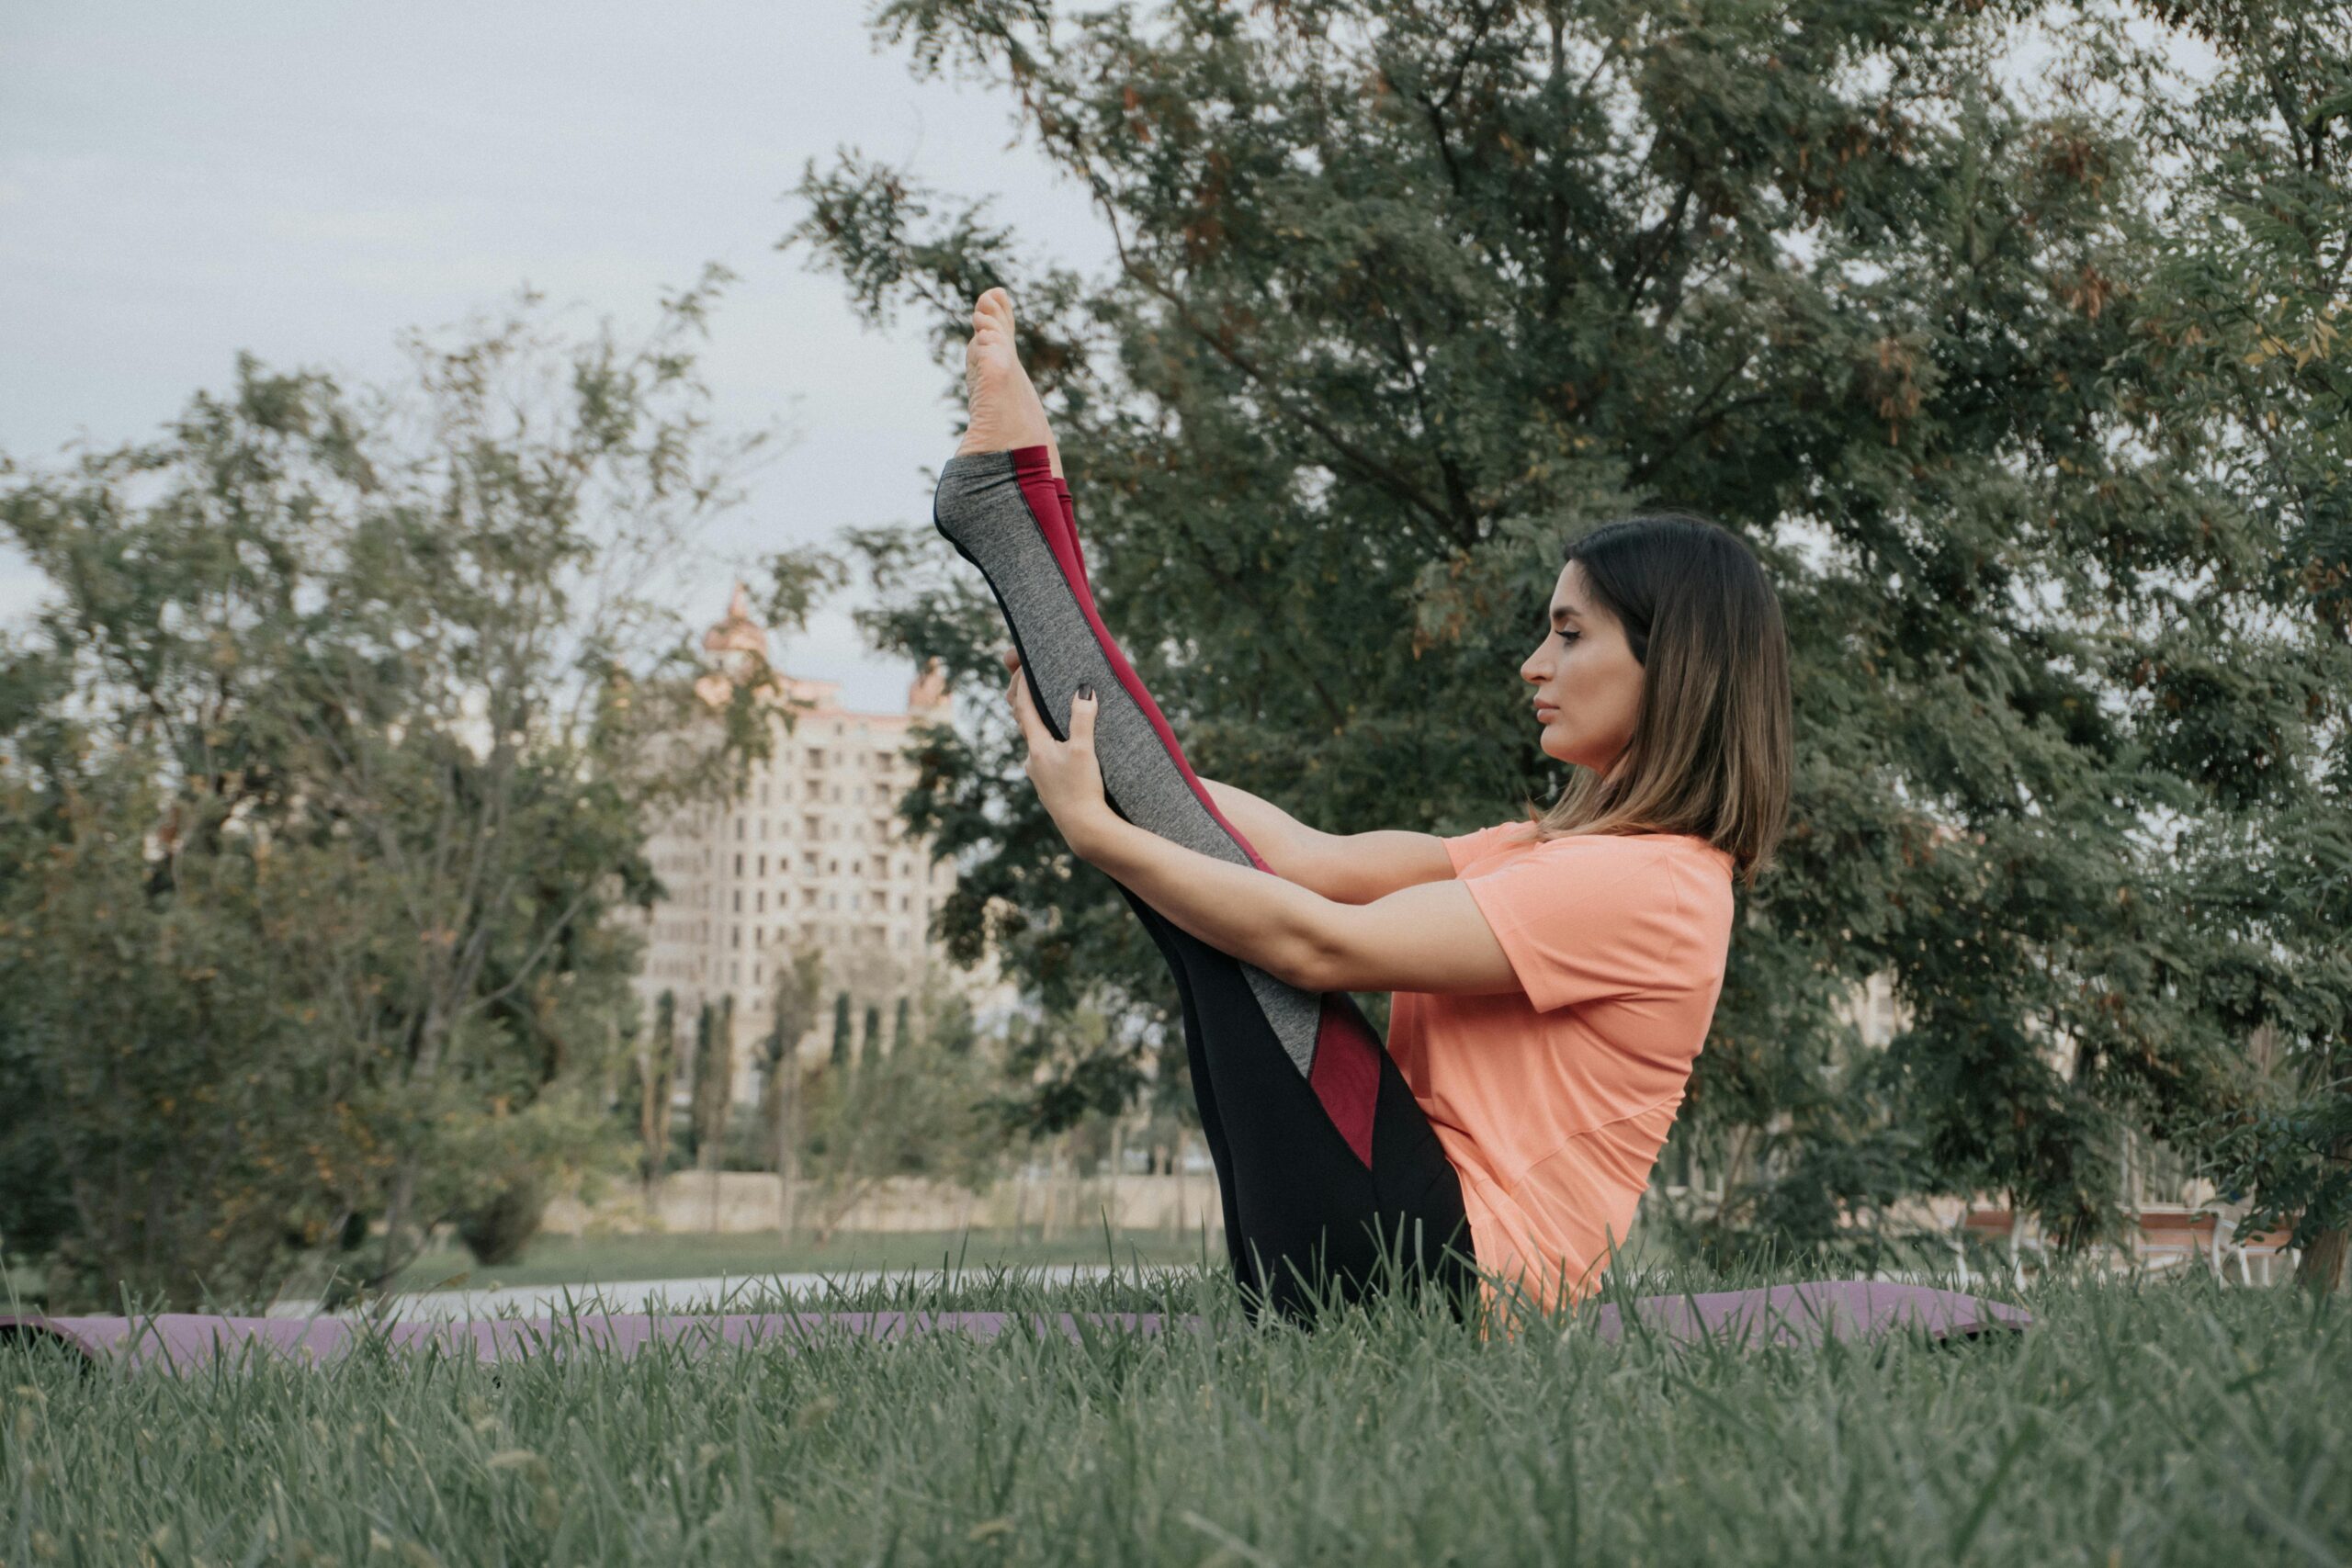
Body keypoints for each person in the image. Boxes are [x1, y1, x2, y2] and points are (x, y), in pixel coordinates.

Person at [935, 287, 1792, 1327]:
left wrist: (1101, 831)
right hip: (1392, 1243)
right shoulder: (1556, 851)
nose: (1534, 664)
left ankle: (1017, 514)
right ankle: (1022, 512)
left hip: (1448, 1281)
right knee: (1218, 882)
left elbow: (1319, 945)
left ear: (1676, 665)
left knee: (1247, 932)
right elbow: (1311, 860)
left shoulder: (1653, 885)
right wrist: (1114, 758)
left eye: (1570, 634)